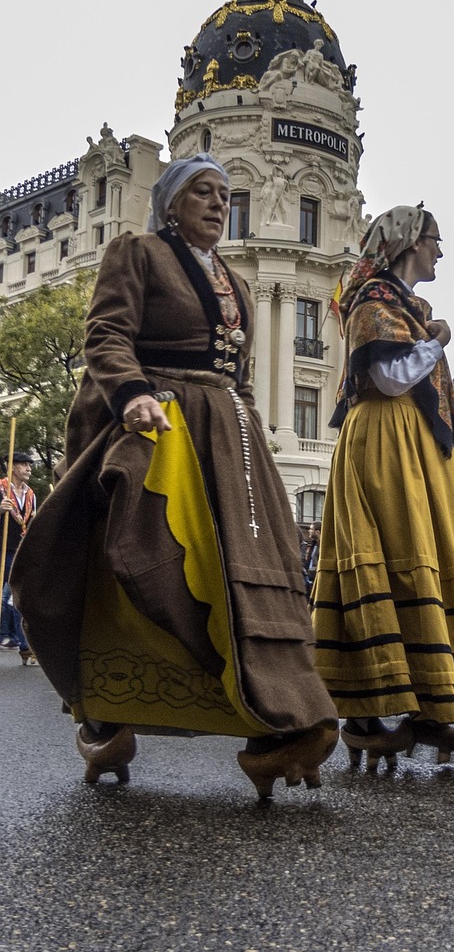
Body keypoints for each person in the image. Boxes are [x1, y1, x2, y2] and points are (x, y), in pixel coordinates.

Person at [10, 153, 338, 798]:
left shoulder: (236, 281)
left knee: (254, 566)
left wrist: (242, 417)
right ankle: (106, 715)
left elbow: (237, 369)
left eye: (223, 193)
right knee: (154, 552)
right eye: (202, 193)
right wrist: (132, 393)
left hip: (228, 430)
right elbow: (106, 333)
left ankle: (275, 718)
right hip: (158, 420)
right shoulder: (138, 252)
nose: (218, 203)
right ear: (170, 203)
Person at [310, 205, 454, 772]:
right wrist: (438, 340)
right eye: (435, 241)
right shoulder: (373, 300)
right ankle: (373, 710)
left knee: (424, 555)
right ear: (410, 243)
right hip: (386, 436)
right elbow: (389, 379)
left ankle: (430, 701)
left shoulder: (404, 305)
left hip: (412, 442)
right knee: (396, 554)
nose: (440, 252)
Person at [0, 451, 37, 666]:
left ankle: (19, 643)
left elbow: (31, 523)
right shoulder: (1, 489)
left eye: (30, 465)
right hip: (3, 549)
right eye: (24, 465)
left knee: (14, 595)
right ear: (12, 467)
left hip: (20, 551)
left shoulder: (31, 494)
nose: (29, 468)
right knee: (12, 596)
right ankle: (19, 643)